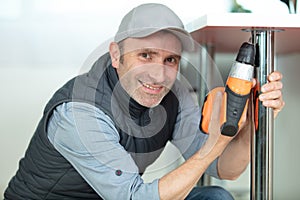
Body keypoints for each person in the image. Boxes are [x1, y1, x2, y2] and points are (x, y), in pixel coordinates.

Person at [4, 3, 285, 200]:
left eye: (170, 60)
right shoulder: (79, 111)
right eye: (146, 55)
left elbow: (225, 169)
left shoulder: (175, 94)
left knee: (214, 196)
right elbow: (133, 197)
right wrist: (216, 143)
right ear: (116, 55)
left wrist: (249, 126)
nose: (159, 74)